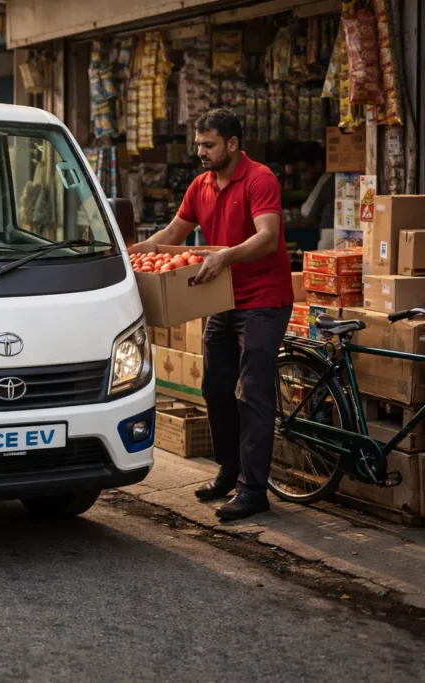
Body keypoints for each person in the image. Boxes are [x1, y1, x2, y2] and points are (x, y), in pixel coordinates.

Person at [129, 109, 293, 521]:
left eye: (208, 145)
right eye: (198, 144)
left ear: (232, 144)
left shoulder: (260, 179)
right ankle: (229, 469)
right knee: (215, 387)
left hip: (263, 300)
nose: (200, 152)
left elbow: (268, 238)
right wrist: (128, 254)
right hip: (224, 299)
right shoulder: (200, 185)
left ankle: (254, 490)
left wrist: (224, 256)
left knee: (253, 393)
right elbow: (171, 235)